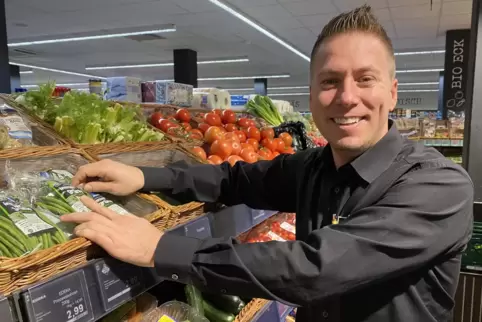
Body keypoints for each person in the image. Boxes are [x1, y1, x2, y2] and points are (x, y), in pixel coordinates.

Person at [61, 5, 473, 322]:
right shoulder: (314, 166)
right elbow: (234, 178)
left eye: (366, 79)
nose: (347, 97)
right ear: (312, 95)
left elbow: (313, 268)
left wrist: (160, 248)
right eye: (330, 81)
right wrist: (145, 175)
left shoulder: (438, 187)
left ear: (393, 92)